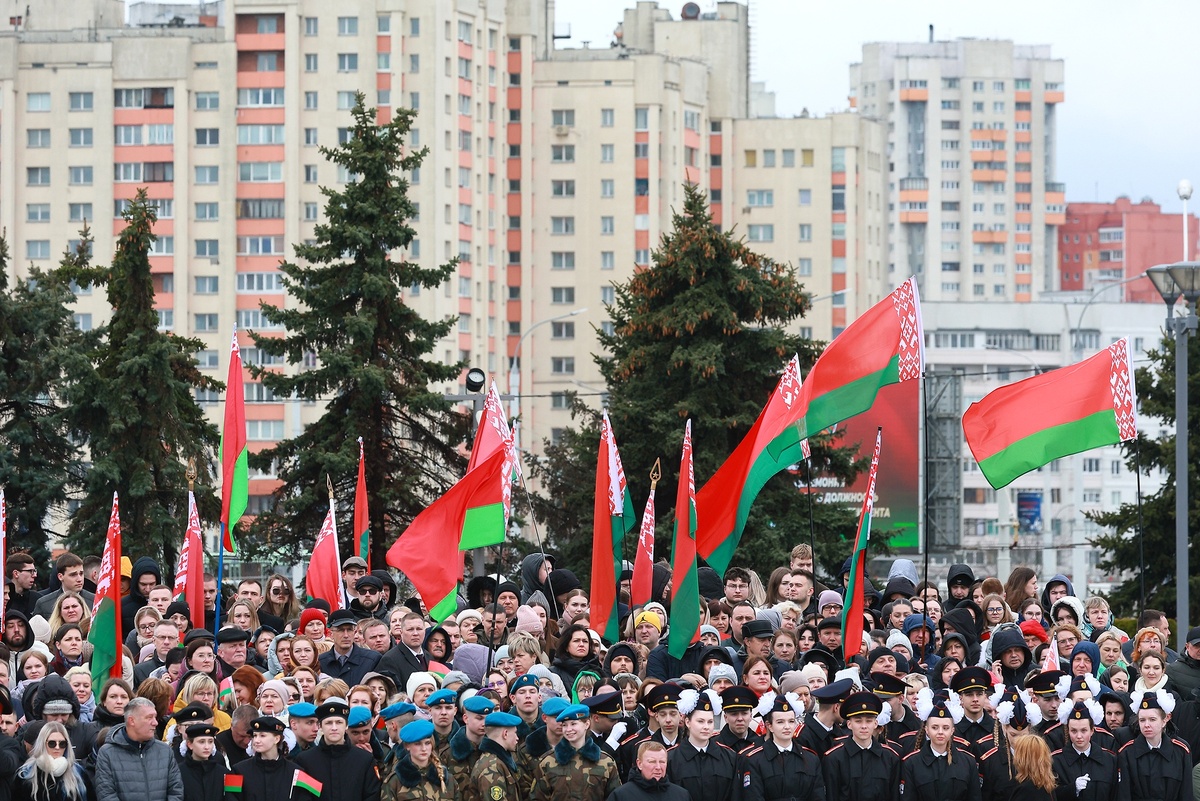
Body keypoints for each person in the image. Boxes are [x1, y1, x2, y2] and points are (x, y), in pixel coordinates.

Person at [94, 697, 184, 801]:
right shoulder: (107, 753)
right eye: (149, 717)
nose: (155, 723)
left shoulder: (165, 751)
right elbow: (106, 795)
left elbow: (176, 791)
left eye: (155, 717)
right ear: (132, 720)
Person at [898, 689, 980, 801]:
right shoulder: (912, 763)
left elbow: (974, 797)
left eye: (945, 728)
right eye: (935, 727)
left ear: (952, 730)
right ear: (927, 730)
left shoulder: (967, 761)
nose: (940, 732)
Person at [293, 698, 382, 801]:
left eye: (339, 722)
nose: (334, 728)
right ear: (320, 726)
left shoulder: (364, 760)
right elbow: (301, 796)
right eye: (329, 723)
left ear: (346, 726)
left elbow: (372, 795)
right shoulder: (305, 761)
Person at [743, 692, 825, 801]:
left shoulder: (811, 759)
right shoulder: (755, 760)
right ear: (770, 726)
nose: (787, 727)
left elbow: (818, 796)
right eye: (780, 722)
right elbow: (754, 796)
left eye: (791, 721)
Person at [530, 704, 620, 801]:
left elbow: (615, 797)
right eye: (564, 725)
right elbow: (537, 797)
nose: (568, 729)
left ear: (587, 724)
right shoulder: (548, 762)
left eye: (573, 724)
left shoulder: (606, 762)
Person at [822, 691, 900, 801]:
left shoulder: (890, 757)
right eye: (858, 721)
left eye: (869, 721)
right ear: (849, 724)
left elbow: (894, 796)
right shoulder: (834, 758)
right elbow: (831, 795)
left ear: (875, 724)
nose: (864, 726)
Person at [1115, 689, 1190, 801]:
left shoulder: (1181, 751)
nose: (1146, 725)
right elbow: (1124, 795)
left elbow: (1186, 794)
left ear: (1165, 720)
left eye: (1152, 719)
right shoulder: (1127, 753)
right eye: (1142, 720)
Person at [666, 689, 740, 801]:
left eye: (710, 722)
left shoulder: (729, 757)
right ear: (687, 722)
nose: (706, 727)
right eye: (700, 721)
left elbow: (735, 795)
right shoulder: (671, 758)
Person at [1051, 699, 1116, 801]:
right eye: (1074, 731)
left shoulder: (1109, 759)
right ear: (1068, 731)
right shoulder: (1056, 761)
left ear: (1092, 731)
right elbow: (1051, 795)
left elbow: (1115, 793)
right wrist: (1072, 789)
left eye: (1084, 730)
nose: (1079, 736)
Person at [15, 721, 93, 801]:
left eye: (62, 743)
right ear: (42, 744)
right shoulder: (25, 774)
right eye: (52, 743)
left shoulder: (79, 773)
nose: (57, 747)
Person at [382, 719, 455, 801]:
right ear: (407, 746)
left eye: (427, 743)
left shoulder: (448, 779)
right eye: (417, 744)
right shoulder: (395, 781)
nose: (424, 748)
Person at [230, 716, 300, 801]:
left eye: (262, 735)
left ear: (276, 739)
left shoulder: (295, 773)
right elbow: (230, 797)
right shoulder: (237, 771)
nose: (256, 740)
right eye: (255, 736)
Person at [318, 611, 382, 688]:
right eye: (341, 630)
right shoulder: (321, 662)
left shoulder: (372, 659)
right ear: (331, 634)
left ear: (354, 632)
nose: (346, 635)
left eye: (349, 630)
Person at [610, 741, 692, 801]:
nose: (658, 767)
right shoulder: (621, 795)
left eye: (662, 762)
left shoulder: (681, 795)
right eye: (652, 762)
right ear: (639, 764)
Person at [467, 711, 521, 801]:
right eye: (515, 733)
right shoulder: (492, 768)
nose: (517, 738)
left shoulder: (498, 761)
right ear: (505, 734)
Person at [176, 723, 226, 801]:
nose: (207, 747)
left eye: (210, 741)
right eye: (201, 742)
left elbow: (236, 797)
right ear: (190, 744)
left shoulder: (227, 773)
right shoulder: (177, 772)